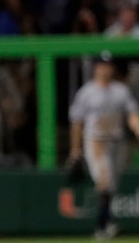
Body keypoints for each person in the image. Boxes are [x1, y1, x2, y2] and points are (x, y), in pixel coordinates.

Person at [68, 51, 139, 240]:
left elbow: (132, 115)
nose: (106, 68)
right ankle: (101, 227)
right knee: (105, 180)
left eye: (109, 65)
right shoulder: (86, 92)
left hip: (117, 143)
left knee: (111, 186)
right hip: (96, 142)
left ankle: (107, 222)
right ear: (96, 68)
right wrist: (75, 151)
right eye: (102, 65)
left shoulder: (120, 91)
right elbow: (76, 122)